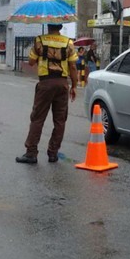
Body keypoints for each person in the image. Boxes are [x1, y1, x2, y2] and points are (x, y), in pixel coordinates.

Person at [16, 23, 78, 164]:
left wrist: (40, 56)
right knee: (60, 120)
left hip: (45, 83)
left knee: (37, 118)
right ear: (61, 27)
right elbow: (73, 66)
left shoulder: (40, 40)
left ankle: (31, 153)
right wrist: (74, 86)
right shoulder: (68, 42)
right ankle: (53, 153)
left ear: (48, 26)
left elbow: (31, 62)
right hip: (62, 84)